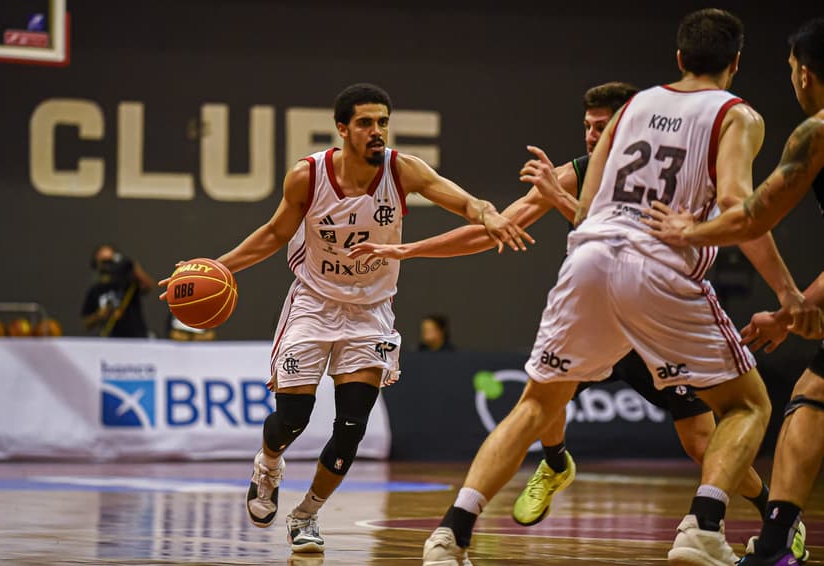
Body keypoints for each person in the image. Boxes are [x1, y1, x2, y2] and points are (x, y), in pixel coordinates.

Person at [412, 8, 819, 564]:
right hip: (659, 263)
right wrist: (788, 293)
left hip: (590, 257)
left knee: (535, 405)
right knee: (748, 404)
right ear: (737, 63)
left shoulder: (632, 106)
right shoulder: (736, 114)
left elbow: (590, 208)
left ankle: (451, 534)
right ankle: (702, 527)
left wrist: (561, 203)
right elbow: (736, 206)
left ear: (678, 58)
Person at [349, 80, 782, 538]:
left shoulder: (668, 168)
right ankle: (555, 464)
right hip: (600, 311)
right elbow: (498, 228)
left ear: (631, 122)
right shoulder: (578, 168)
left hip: (654, 320)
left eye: (602, 126)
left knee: (700, 443)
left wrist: (563, 201)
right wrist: (408, 250)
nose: (593, 136)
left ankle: (770, 508)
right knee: (544, 396)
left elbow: (650, 238)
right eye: (587, 127)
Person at [158, 83, 531, 554]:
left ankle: (307, 514)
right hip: (313, 304)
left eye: (382, 123)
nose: (377, 132)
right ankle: (267, 467)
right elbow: (274, 234)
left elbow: (462, 201)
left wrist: (487, 213)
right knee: (292, 418)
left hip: (370, 311)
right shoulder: (307, 176)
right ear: (342, 129)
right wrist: (215, 266)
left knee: (351, 426)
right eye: (365, 123)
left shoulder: (403, 170)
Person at [645, 17, 824, 566]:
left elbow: (749, 212)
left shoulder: (815, 132)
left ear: (806, 74)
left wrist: (689, 232)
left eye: (792, 70)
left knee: (792, 400)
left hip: (619, 274)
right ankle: (771, 544)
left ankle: (766, 543)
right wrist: (793, 306)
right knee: (812, 394)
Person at [82, 243, 155, 338]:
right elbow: (86, 323)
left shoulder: (128, 282)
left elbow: (149, 287)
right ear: (96, 263)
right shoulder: (95, 290)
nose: (107, 266)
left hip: (137, 337)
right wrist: (99, 315)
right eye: (104, 262)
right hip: (112, 340)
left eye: (110, 261)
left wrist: (134, 269)